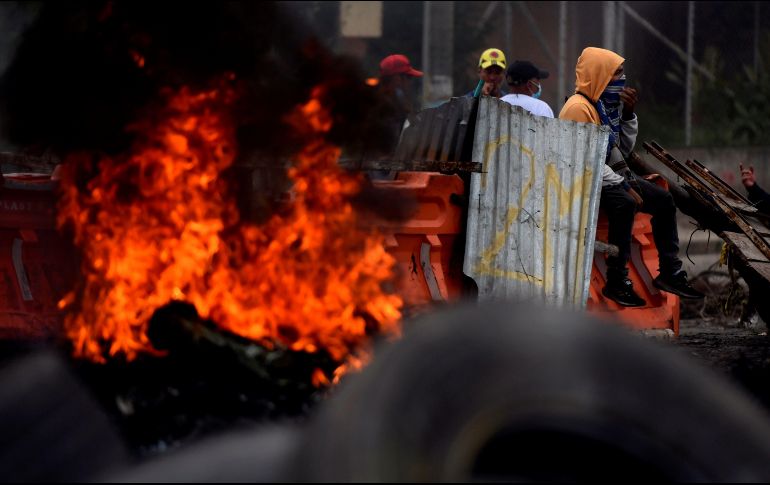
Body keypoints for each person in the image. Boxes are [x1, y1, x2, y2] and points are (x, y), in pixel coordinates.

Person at [559, 46, 704, 307]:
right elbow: (586, 162)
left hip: (604, 175)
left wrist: (628, 116)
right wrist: (625, 185)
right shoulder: (578, 108)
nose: (622, 80)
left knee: (663, 200)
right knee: (624, 203)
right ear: (598, 74)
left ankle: (670, 272)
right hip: (583, 180)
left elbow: (622, 150)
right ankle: (617, 280)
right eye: (616, 74)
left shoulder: (602, 105)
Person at [377, 54, 423, 143]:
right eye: (409, 77)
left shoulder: (377, 100)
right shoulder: (389, 107)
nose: (411, 82)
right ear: (397, 79)